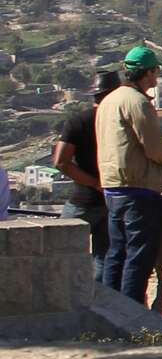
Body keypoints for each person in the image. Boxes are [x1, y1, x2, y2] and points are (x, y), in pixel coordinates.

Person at [95, 45, 162, 302]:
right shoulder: (137, 102)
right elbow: (154, 149)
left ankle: (109, 311)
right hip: (138, 189)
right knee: (137, 256)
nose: (157, 78)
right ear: (148, 72)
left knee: (116, 253)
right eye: (156, 71)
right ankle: (129, 313)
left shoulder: (108, 100)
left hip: (112, 187)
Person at [53, 71, 123, 278]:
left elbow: (61, 162)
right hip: (114, 199)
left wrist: (93, 183)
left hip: (83, 200)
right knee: (106, 260)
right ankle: (99, 296)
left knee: (58, 255)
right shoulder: (122, 121)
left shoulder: (79, 121)